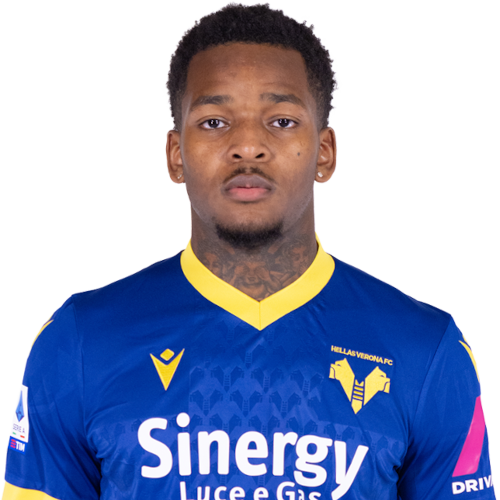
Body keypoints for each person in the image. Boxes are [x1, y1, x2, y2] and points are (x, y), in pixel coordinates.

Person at [3, 2, 495, 499]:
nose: (248, 146)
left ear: (325, 152)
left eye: (281, 121)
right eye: (215, 122)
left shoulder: (425, 348)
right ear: (175, 155)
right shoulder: (80, 340)